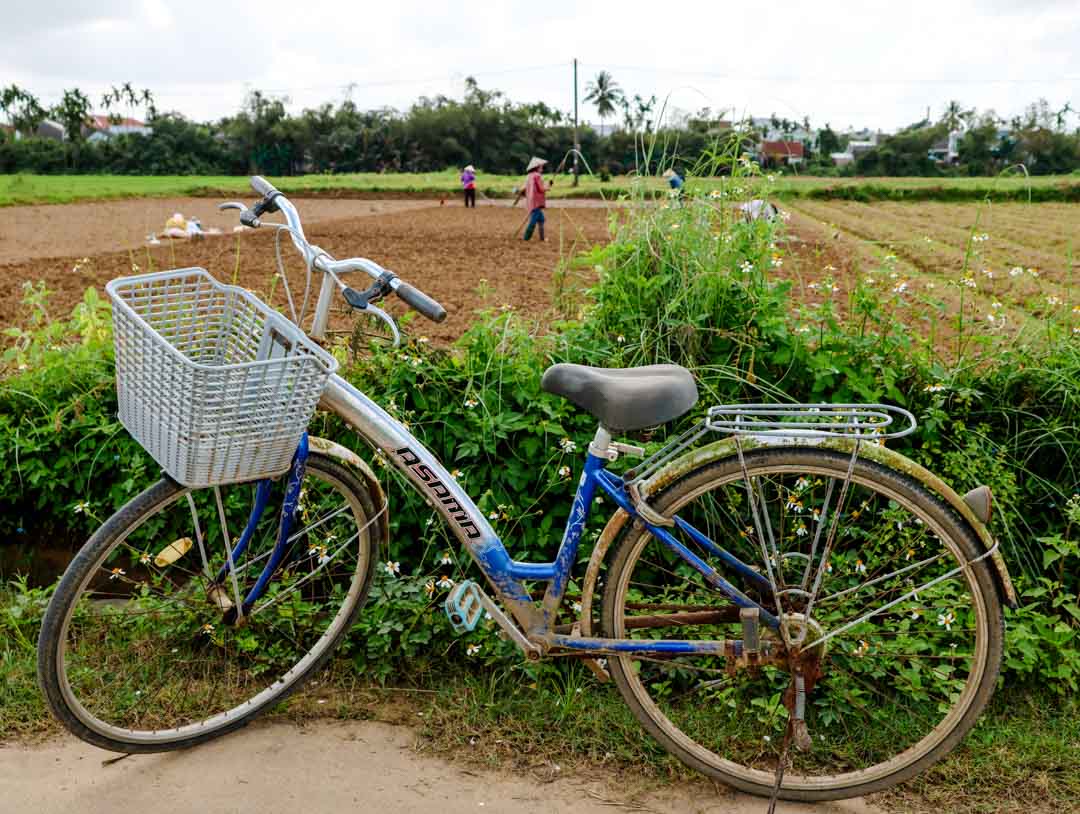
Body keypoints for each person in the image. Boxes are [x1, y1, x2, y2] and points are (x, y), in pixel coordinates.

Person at [513, 156, 553, 241]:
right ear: (537, 167)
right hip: (536, 202)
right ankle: (526, 238)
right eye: (541, 166)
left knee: (541, 219)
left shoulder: (529, 176)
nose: (542, 168)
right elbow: (541, 189)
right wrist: (548, 187)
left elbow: (525, 188)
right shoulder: (537, 176)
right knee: (533, 221)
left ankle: (542, 238)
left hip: (531, 201)